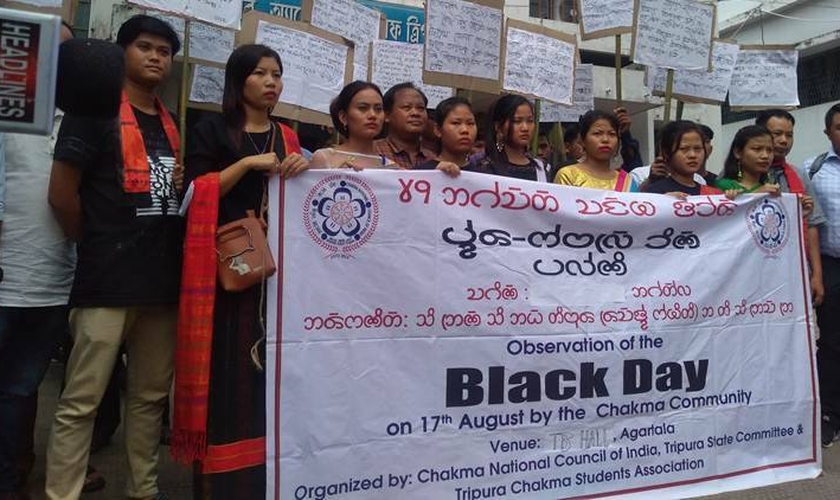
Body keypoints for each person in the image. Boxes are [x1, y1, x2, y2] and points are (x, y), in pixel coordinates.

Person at [45, 15, 183, 500]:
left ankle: (142, 491)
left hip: (163, 286)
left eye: (164, 51)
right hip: (106, 279)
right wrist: (98, 241)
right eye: (144, 46)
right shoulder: (92, 113)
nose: (154, 57)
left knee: (148, 401)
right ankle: (62, 492)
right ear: (123, 52)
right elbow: (62, 196)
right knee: (82, 399)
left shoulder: (172, 123)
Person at [177, 44, 307, 499]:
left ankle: (264, 475)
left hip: (277, 276)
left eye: (277, 73)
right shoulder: (212, 129)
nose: (272, 82)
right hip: (227, 272)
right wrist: (248, 164)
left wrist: (302, 166)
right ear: (239, 81)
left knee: (266, 373)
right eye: (260, 74)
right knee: (227, 369)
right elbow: (193, 193)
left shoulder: (289, 136)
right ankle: (219, 481)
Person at [0, 22, 75, 500]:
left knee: (21, 390)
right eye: (46, 49)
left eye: (66, 54)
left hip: (51, 285)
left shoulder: (80, 123)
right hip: (4, 281)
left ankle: (10, 477)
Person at [755, 109, 825, 308]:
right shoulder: (736, 174)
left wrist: (817, 276)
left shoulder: (799, 175)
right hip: (754, 273)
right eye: (777, 134)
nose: (784, 141)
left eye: (789, 135)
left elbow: (811, 226)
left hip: (796, 271)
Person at [803, 103, 840, 447]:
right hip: (831, 264)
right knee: (831, 342)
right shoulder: (811, 169)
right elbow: (807, 220)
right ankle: (828, 414)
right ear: (828, 132)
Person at [310, 81, 396, 169]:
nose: (373, 115)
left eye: (378, 109)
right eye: (363, 108)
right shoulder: (324, 158)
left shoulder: (391, 167)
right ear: (343, 117)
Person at [554, 110, 637, 192]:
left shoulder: (627, 181)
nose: (605, 140)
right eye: (597, 133)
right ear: (582, 140)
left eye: (612, 134)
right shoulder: (568, 175)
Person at [471, 94, 547, 181]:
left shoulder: (541, 169)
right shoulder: (484, 168)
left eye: (530, 121)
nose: (525, 128)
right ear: (499, 127)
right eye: (517, 121)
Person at [644, 121, 721, 196]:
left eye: (698, 148)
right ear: (666, 153)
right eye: (684, 149)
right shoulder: (653, 194)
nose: (692, 155)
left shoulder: (713, 195)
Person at [372, 82, 435, 169]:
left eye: (420, 108)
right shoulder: (371, 152)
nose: (415, 113)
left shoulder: (433, 159)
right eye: (407, 107)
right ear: (387, 115)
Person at [416, 96, 475, 175]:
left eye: (470, 123)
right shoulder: (419, 174)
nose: (465, 130)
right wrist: (434, 175)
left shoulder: (488, 178)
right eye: (456, 123)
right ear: (438, 130)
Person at [714, 125, 779, 196]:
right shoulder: (723, 187)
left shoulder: (772, 189)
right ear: (738, 152)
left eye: (770, 150)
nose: (765, 156)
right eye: (757, 149)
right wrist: (757, 195)